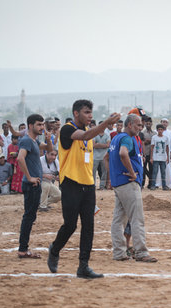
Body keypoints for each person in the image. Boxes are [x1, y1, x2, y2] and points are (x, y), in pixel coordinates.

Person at [48, 100, 121, 276]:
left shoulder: (89, 132)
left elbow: (89, 138)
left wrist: (105, 124)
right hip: (71, 183)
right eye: (86, 112)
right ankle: (55, 249)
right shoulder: (67, 129)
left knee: (89, 226)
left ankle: (83, 266)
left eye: (91, 112)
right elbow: (84, 136)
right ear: (76, 113)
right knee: (71, 225)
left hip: (88, 184)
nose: (90, 115)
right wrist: (106, 123)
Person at [109, 113, 158, 263]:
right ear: (130, 125)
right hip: (128, 183)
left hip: (119, 183)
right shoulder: (126, 138)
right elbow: (123, 153)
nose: (140, 128)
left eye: (141, 126)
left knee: (118, 220)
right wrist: (132, 173)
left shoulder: (116, 138)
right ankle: (141, 252)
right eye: (138, 125)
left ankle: (119, 252)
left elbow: (112, 157)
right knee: (137, 219)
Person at [16, 114, 53, 259]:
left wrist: (49, 140)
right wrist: (30, 177)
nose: (42, 127)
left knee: (30, 216)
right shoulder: (26, 140)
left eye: (43, 124)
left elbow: (49, 149)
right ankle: (23, 249)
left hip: (34, 184)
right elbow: (20, 158)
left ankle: (23, 248)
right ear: (30, 126)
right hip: (31, 184)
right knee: (29, 217)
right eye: (39, 124)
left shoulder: (34, 141)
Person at [150, 124, 170, 190]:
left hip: (163, 158)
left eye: (161, 129)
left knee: (163, 173)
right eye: (159, 129)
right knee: (154, 172)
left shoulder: (166, 138)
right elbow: (152, 148)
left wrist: (168, 157)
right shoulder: (154, 137)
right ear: (157, 130)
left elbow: (167, 148)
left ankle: (164, 186)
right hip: (156, 157)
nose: (160, 131)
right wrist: (151, 157)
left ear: (163, 130)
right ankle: (153, 185)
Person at [92, 122, 111, 190]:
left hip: (104, 157)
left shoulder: (107, 135)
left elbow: (108, 145)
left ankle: (102, 186)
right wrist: (104, 145)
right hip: (95, 157)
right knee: (93, 172)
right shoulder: (95, 135)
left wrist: (98, 145)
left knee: (104, 172)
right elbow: (93, 145)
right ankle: (93, 185)